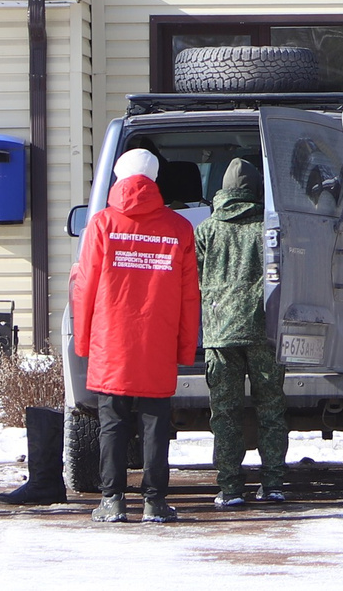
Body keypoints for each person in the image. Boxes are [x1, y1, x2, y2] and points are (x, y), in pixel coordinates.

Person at [70, 147, 201, 523]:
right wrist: (185, 347)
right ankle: (154, 502)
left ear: (118, 177)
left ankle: (112, 500)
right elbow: (189, 296)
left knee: (112, 423)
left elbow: (85, 287)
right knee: (156, 423)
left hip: (111, 342)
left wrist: (83, 341)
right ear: (155, 178)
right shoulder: (179, 228)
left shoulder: (101, 224)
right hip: (156, 341)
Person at [194, 156, 287, 507]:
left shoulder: (206, 230)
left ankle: (230, 488)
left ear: (223, 190)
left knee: (225, 414)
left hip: (220, 335)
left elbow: (196, 278)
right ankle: (273, 483)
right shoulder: (270, 229)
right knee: (271, 409)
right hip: (265, 332)